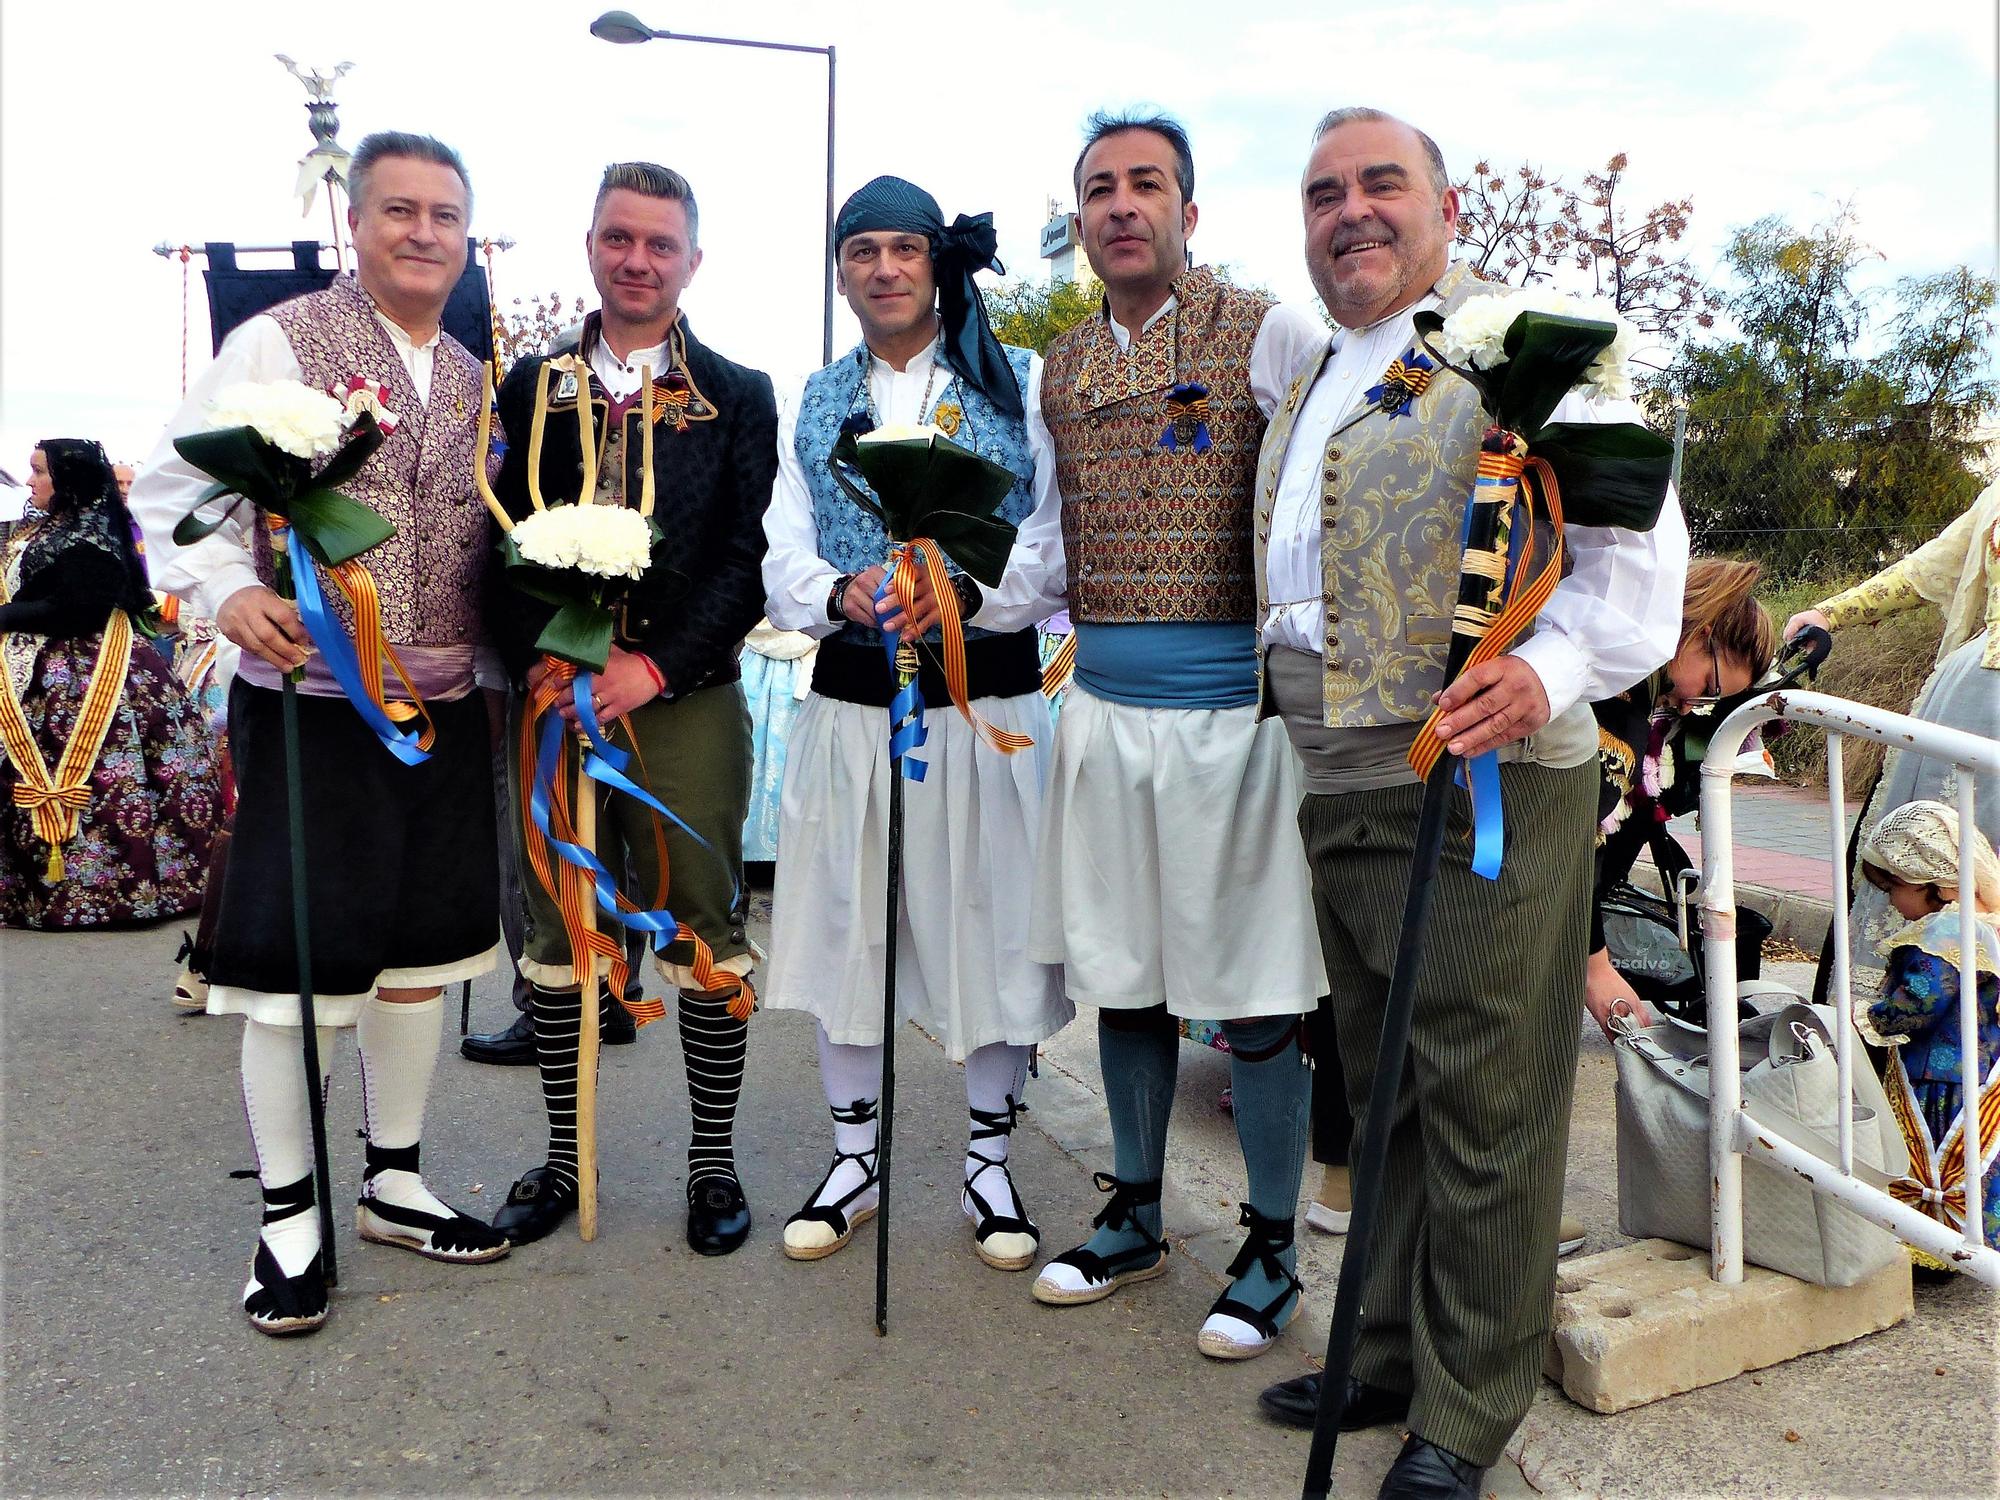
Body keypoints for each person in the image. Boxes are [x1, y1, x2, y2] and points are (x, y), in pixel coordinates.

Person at [1249, 109, 1686, 1496]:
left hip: (1485, 773)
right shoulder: (1313, 366)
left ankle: (1466, 1414)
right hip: (1339, 779)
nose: (1352, 212)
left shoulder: (1529, 353)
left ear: (1445, 211)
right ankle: (1382, 1352)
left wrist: (1548, 670)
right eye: (1326, 193)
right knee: (1377, 1091)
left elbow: (1635, 568)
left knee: (1487, 1105)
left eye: (1384, 184)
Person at [131, 131, 511, 1335]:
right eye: (398, 210)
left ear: (466, 233)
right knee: (298, 978)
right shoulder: (278, 341)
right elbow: (170, 491)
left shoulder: (474, 371)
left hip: (446, 709)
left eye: (444, 214)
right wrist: (225, 590)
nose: (422, 232)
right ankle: (290, 1213)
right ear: (358, 222)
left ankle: (393, 1179)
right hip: (310, 705)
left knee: (416, 970)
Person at [1025, 112, 1331, 1358]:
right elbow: (1043, 544)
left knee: (1252, 995)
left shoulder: (1268, 329)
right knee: (1124, 978)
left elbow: (1315, 502)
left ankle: (1269, 1245)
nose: (1119, 205)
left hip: (1230, 721)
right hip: (1100, 712)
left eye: (1144, 184)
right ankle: (1137, 1213)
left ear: (1188, 211)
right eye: (1098, 188)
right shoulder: (1056, 363)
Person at [762, 175, 1069, 1271]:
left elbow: (1051, 542)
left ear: (936, 262)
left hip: (983, 695)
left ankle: (987, 1161)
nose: (882, 269)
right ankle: (854, 1161)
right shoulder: (815, 395)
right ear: (840, 269)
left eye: (902, 248)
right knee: (849, 923)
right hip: (851, 701)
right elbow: (782, 549)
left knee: (989, 922)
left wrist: (965, 594)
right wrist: (838, 594)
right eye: (861, 252)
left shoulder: (1015, 382)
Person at [485, 162, 775, 1256]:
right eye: (619, 238)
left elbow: (746, 558)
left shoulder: (738, 391)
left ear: (690, 260)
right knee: (563, 924)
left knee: (700, 921)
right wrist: (548, 659)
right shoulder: (529, 387)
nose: (637, 260)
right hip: (556, 700)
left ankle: (710, 1164)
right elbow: (494, 539)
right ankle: (566, 1157)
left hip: (682, 697)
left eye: (659, 243)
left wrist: (653, 668)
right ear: (591, 247)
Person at [1785, 480, 2000, 998]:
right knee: (1934, 861)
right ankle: (1905, 1022)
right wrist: (1831, 613)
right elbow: (1933, 565)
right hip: (1975, 702)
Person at [0, 440, 221, 929]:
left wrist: (5, 617)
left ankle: (108, 889)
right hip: (42, 663)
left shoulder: (89, 539)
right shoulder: (50, 529)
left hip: (94, 667)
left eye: (40, 472)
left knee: (116, 773)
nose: (32, 481)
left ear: (68, 481)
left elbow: (77, 609)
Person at [1857, 800, 2000, 1258]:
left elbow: (1923, 1000)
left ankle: (1926, 1241)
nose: (1893, 902)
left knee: (1929, 1150)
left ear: (1932, 883)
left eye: (1894, 887)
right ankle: (1977, 1238)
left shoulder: (1938, 937)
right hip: (1985, 1069)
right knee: (1980, 1155)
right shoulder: (1987, 926)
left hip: (1936, 1075)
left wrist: (1871, 1017)